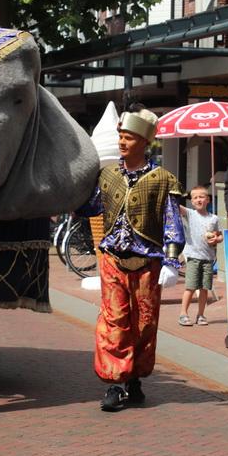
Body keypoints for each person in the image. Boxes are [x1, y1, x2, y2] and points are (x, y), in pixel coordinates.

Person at [79, 108, 185, 412]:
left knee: (144, 324)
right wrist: (75, 188)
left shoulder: (163, 179)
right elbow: (90, 208)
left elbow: (172, 223)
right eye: (121, 137)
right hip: (112, 259)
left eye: (129, 137)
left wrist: (171, 261)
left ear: (144, 142)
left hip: (148, 263)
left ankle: (134, 377)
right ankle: (115, 383)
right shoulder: (108, 176)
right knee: (114, 322)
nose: (122, 142)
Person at [178, 185, 221, 327]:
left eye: (201, 197)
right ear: (191, 201)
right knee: (190, 287)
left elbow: (219, 235)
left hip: (208, 259)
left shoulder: (214, 218)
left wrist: (217, 239)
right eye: (195, 198)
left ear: (208, 199)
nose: (198, 200)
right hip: (193, 257)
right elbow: (176, 206)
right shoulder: (189, 214)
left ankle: (201, 315)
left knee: (204, 288)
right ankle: (183, 314)